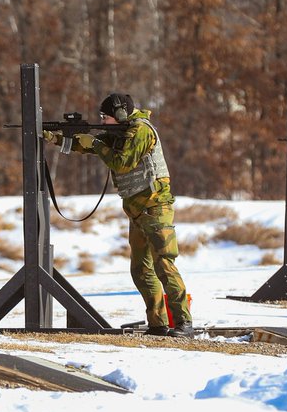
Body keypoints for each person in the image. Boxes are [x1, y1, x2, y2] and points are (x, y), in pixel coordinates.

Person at [47, 92, 194, 337]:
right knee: (141, 270)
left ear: (121, 114)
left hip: (155, 208)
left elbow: (121, 162)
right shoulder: (122, 132)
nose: (103, 121)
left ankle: (184, 323)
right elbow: (89, 145)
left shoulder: (140, 132)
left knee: (164, 265)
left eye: (106, 117)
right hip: (138, 211)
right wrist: (54, 137)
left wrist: (95, 143)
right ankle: (158, 324)